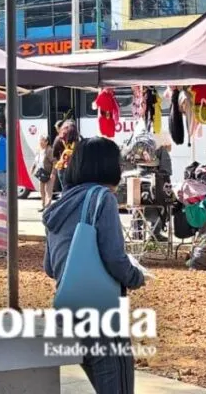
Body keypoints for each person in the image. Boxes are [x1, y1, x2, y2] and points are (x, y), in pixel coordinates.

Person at [42, 137, 146, 394]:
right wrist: (136, 276)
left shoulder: (59, 205)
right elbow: (114, 257)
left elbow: (50, 267)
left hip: (68, 311)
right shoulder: (102, 198)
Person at [53, 120, 79, 190]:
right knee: (74, 188)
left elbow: (54, 153)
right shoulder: (77, 139)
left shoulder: (59, 138)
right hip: (74, 167)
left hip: (63, 167)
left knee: (65, 188)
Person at [34, 135, 56, 210]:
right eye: (40, 140)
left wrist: (53, 173)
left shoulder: (50, 150)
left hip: (49, 173)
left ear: (46, 142)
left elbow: (54, 162)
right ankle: (43, 206)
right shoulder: (39, 149)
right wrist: (33, 167)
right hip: (41, 173)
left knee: (48, 191)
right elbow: (36, 160)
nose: (40, 142)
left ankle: (48, 207)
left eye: (42, 140)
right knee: (41, 190)